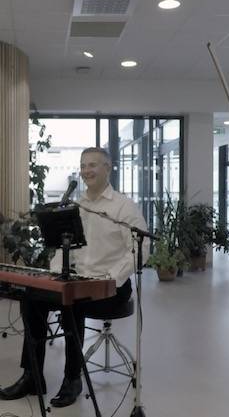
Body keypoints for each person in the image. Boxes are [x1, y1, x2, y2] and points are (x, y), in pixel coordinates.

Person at [0, 147, 149, 408]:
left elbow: (141, 248)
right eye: (83, 165)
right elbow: (61, 247)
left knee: (73, 305)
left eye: (93, 164)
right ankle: (32, 377)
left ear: (108, 168)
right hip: (77, 280)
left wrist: (111, 278)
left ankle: (72, 379)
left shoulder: (124, 207)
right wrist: (57, 271)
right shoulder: (76, 206)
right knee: (31, 300)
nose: (86, 170)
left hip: (112, 288)